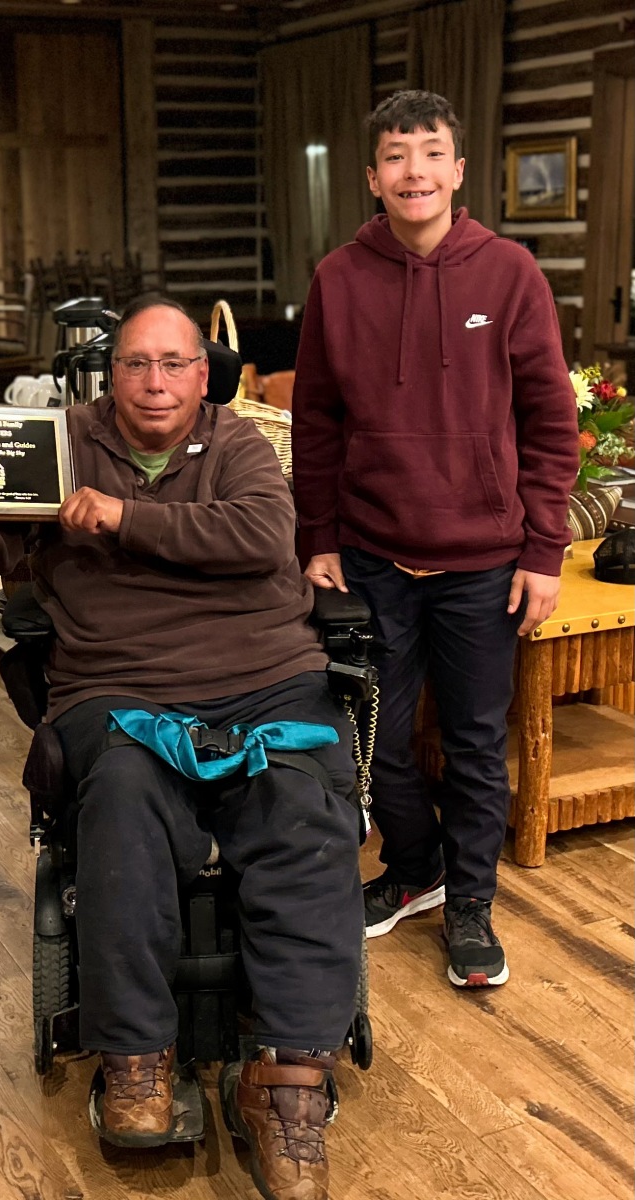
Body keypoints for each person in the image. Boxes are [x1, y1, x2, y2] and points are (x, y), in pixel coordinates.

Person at [0, 296, 364, 1200]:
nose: (155, 382)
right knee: (118, 806)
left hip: (264, 674)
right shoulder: (59, 441)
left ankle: (287, 1082)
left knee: (303, 812)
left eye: (174, 364)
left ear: (203, 374)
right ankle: (137, 1058)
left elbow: (260, 534)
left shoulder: (236, 444)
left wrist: (120, 518)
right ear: (108, 374)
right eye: (136, 364)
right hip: (119, 684)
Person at [292, 90, 578, 989]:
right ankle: (414, 869)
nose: (412, 170)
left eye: (429, 153)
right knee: (372, 741)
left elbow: (549, 423)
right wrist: (318, 536)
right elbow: (315, 421)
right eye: (394, 155)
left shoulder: (510, 274)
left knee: (475, 742)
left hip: (483, 562)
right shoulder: (339, 278)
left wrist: (542, 551)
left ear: (457, 171)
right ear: (371, 177)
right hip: (371, 553)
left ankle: (471, 905)